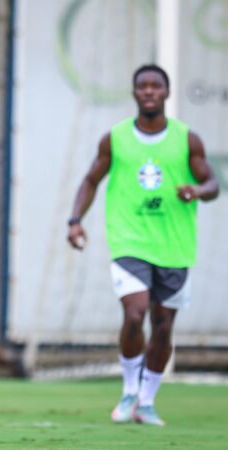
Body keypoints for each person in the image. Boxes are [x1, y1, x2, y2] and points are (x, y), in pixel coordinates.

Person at [67, 64, 219, 426]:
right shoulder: (115, 138)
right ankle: (129, 391)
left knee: (163, 325)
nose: (149, 91)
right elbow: (91, 179)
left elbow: (212, 182)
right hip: (129, 240)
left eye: (156, 86)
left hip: (174, 246)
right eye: (143, 86)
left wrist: (197, 190)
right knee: (134, 314)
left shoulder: (187, 139)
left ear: (166, 93)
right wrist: (75, 221)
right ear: (135, 93)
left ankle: (147, 402)